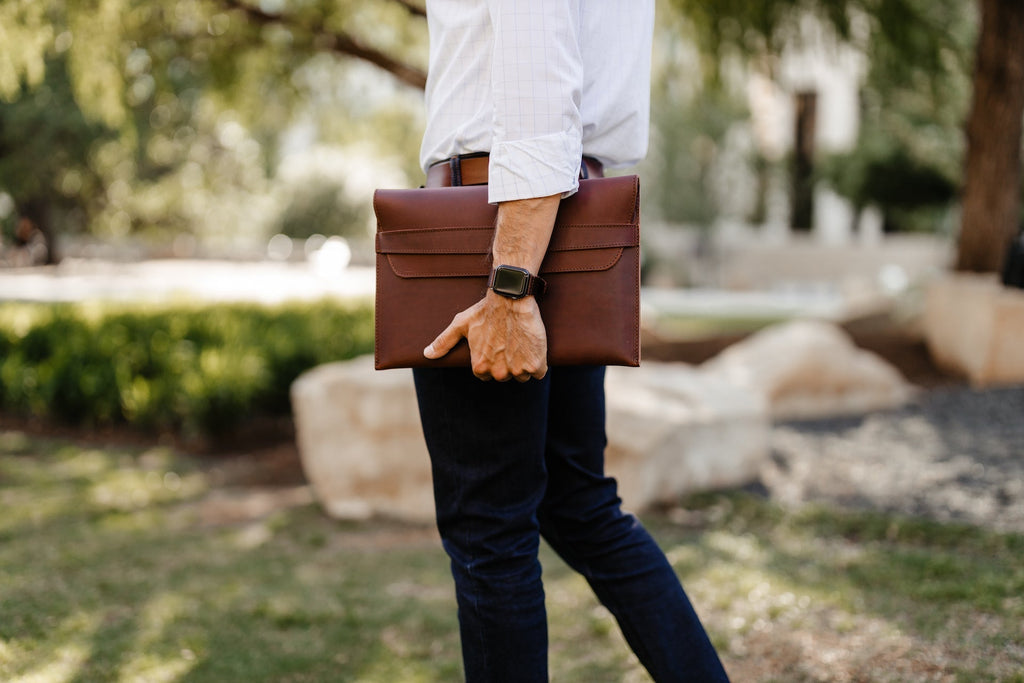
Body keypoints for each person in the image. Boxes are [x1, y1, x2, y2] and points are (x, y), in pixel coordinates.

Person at [411, 1, 730, 680]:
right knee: (580, 504)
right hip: (567, 208)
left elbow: (537, 91)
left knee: (490, 533)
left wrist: (511, 286)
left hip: (502, 223)